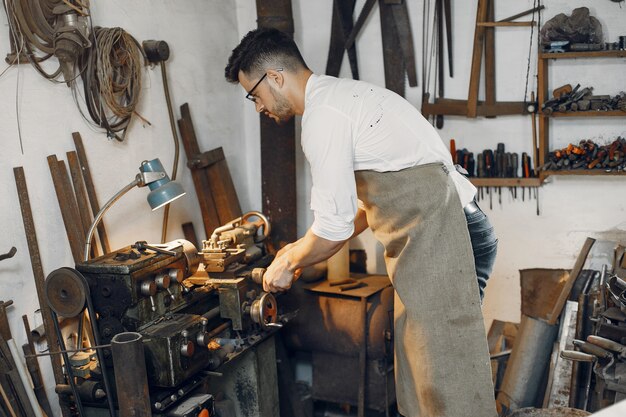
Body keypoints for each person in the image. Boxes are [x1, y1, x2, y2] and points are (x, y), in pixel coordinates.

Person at [225, 28, 498, 417]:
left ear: (275, 77)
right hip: (436, 238)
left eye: (254, 95)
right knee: (422, 369)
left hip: (451, 236)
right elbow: (363, 210)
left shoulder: (324, 118)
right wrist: (301, 246)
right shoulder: (342, 97)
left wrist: (288, 262)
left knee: (449, 381)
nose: (258, 107)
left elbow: (334, 228)